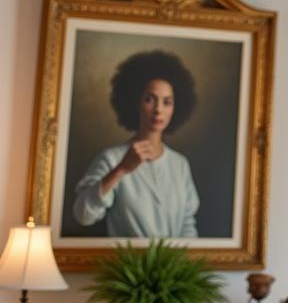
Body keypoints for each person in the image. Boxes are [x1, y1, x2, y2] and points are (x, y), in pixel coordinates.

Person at [73, 50, 200, 238]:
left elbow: (187, 223)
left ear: (176, 108)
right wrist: (122, 169)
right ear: (136, 102)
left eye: (167, 102)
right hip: (127, 266)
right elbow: (84, 215)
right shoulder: (112, 158)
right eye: (150, 100)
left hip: (175, 266)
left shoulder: (179, 164)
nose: (158, 109)